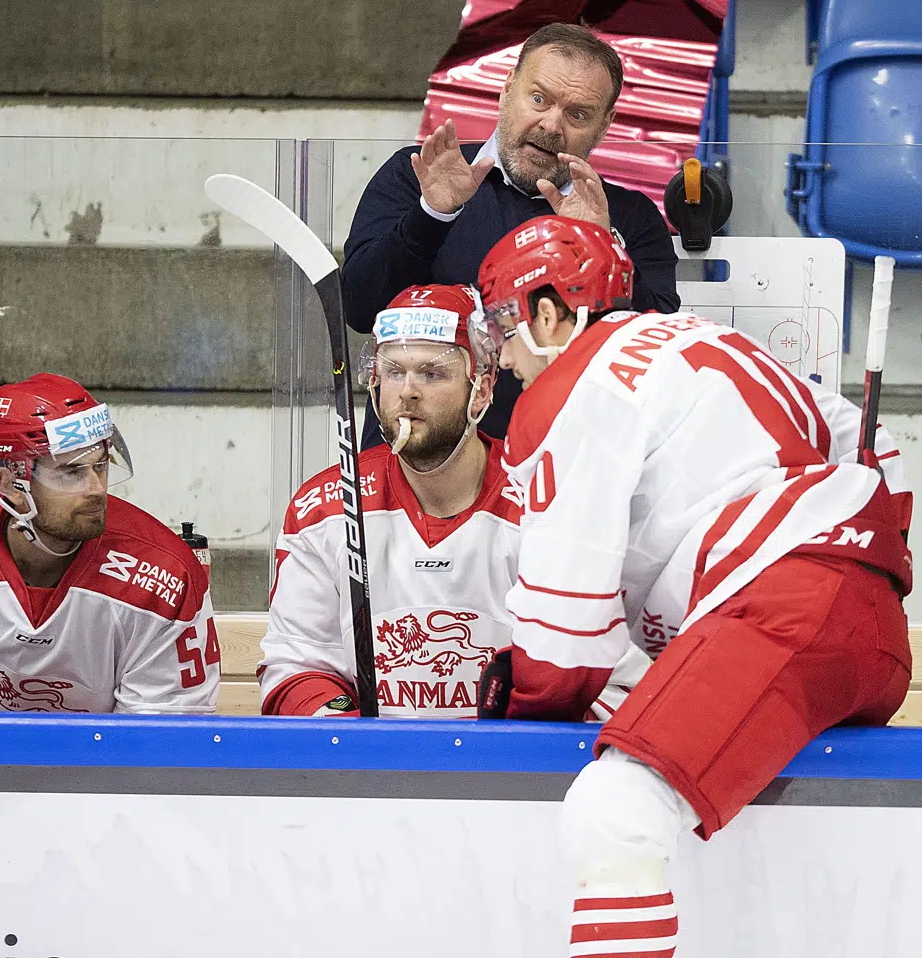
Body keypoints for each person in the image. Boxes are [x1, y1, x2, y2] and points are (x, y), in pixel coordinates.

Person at [472, 217, 915, 956]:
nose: (505, 355)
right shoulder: (712, 340)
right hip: (859, 623)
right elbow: (880, 456)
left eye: (502, 324)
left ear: (547, 312)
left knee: (614, 813)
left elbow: (564, 640)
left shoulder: (568, 394)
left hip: (783, 610)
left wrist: (522, 704)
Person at [259, 284, 648, 718]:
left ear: (481, 390)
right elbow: (295, 668)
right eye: (394, 372)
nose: (407, 391)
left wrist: (506, 741)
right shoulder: (325, 508)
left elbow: (612, 682)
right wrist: (356, 739)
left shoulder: (547, 503)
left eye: (432, 373)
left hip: (507, 762)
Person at [342, 22, 680, 446]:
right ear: (506, 89)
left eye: (577, 114)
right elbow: (359, 308)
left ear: (604, 125)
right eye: (538, 99)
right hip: (418, 458)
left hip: (563, 461)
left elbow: (656, 355)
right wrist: (432, 216)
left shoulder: (628, 217)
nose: (551, 125)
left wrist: (601, 249)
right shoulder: (419, 175)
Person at [0, 373, 220, 713]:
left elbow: (158, 738)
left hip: (108, 759)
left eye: (100, 465)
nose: (97, 489)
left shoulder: (165, 576)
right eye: (71, 472)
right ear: (8, 484)